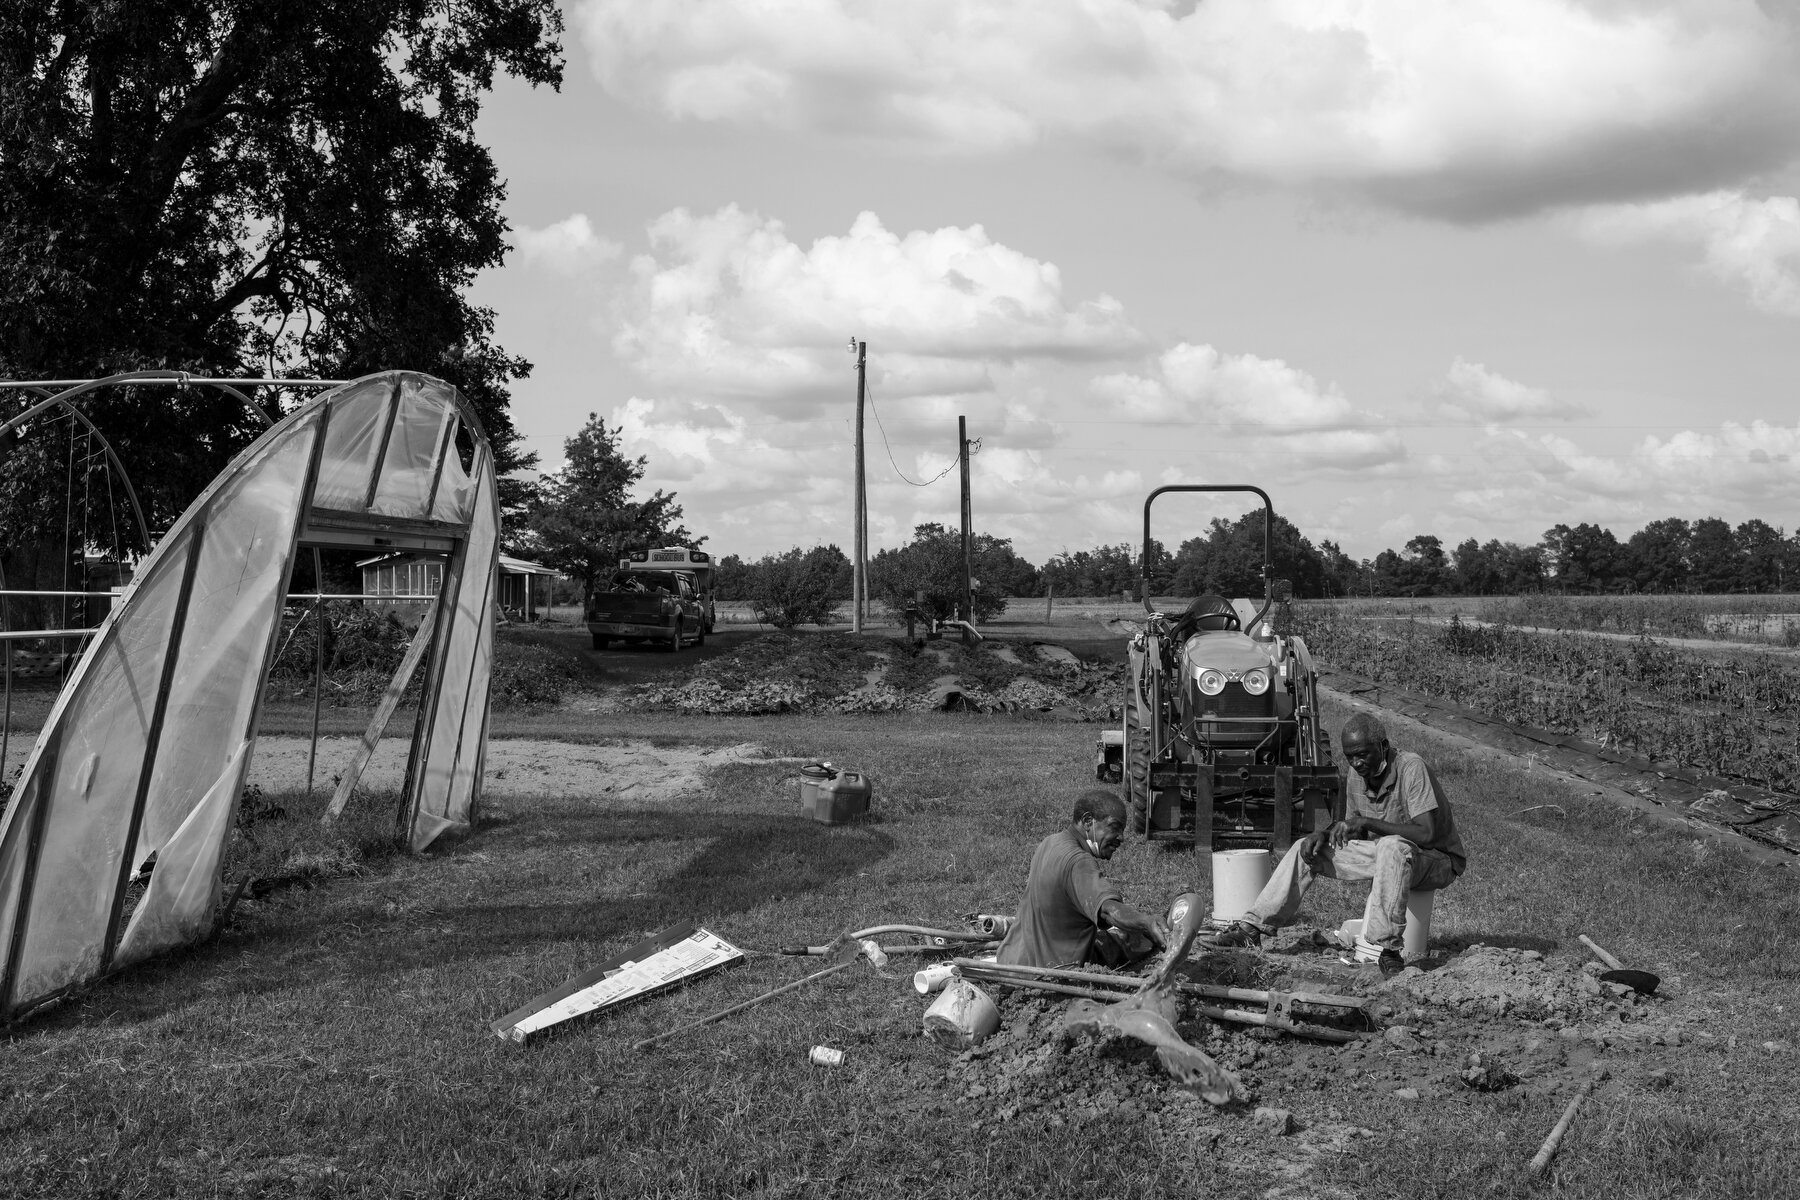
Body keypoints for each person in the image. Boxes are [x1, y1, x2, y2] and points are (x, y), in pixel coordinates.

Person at [1205, 713, 1466, 977]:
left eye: (1363, 754)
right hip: (1389, 855)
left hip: (1436, 860)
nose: (1356, 762)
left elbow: (1428, 834)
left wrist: (1367, 823)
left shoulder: (1411, 767)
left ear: (1383, 746)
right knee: (1305, 848)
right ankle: (1251, 928)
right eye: (1350, 756)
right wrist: (1327, 833)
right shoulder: (1356, 775)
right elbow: (1353, 829)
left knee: (1392, 846)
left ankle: (1388, 950)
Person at [997, 791, 1173, 969]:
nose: (1121, 837)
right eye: (1114, 827)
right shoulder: (1079, 862)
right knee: (1127, 941)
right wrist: (1146, 922)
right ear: (1088, 821)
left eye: (1122, 831)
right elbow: (1108, 911)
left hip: (1012, 962)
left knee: (1119, 940)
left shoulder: (1050, 842)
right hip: (1051, 974)